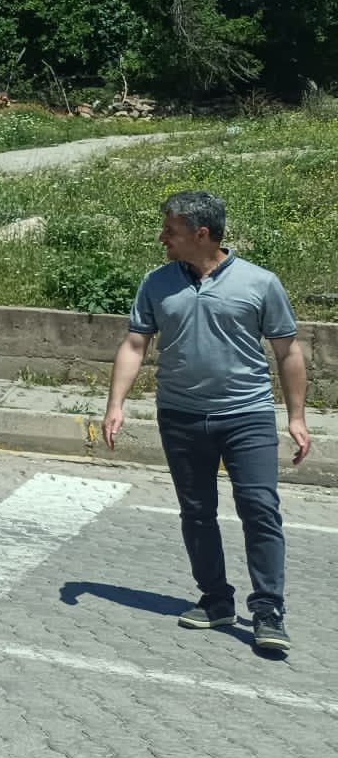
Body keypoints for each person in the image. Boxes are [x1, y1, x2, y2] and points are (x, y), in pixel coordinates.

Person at [105, 190, 308, 658]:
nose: (162, 238)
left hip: (247, 415)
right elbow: (135, 345)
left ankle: (268, 610)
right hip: (179, 415)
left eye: (170, 231)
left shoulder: (260, 283)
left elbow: (287, 352)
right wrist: (116, 404)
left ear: (201, 233)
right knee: (196, 512)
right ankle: (215, 599)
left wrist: (296, 416)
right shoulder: (156, 283)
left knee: (259, 508)